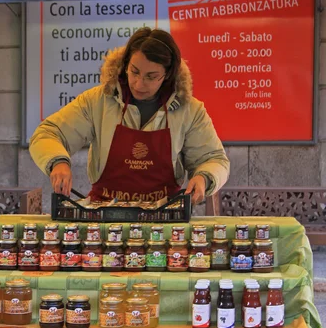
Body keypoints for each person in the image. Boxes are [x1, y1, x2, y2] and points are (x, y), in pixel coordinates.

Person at [29, 27, 229, 205]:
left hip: (165, 217)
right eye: (134, 72)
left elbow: (214, 159)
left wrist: (204, 177)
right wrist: (58, 162)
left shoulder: (190, 111)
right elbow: (48, 133)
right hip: (105, 216)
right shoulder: (97, 101)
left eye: (151, 77)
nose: (139, 84)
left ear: (167, 74)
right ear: (125, 65)